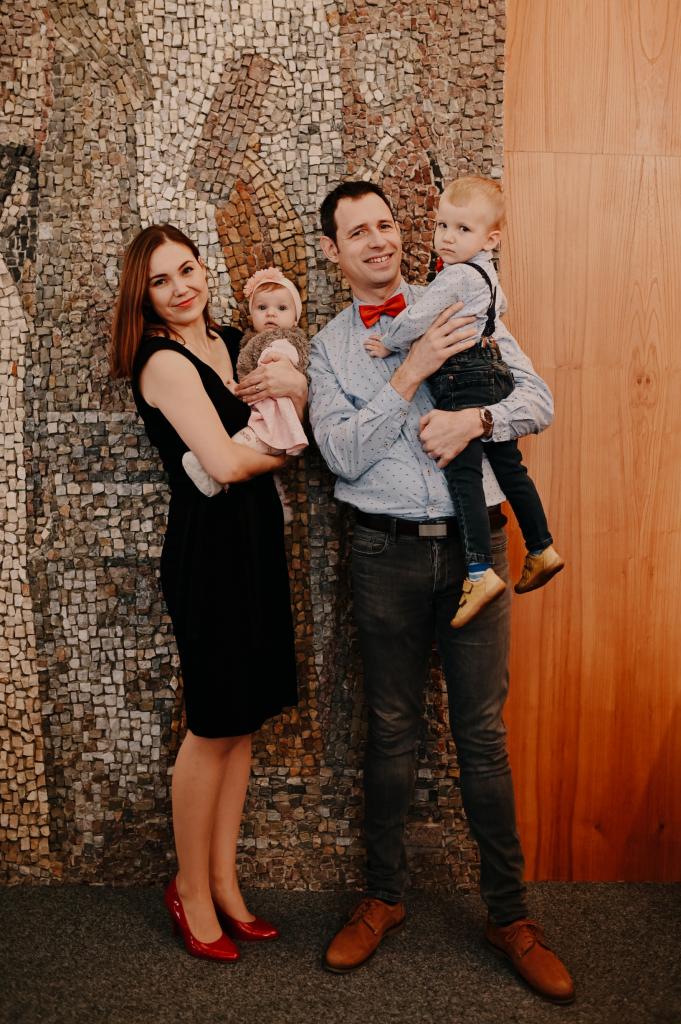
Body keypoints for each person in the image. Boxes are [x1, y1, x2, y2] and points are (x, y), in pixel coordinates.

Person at [308, 181, 574, 1003]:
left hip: (478, 548)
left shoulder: (462, 297)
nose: (378, 240)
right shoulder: (330, 349)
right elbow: (340, 455)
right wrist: (412, 371)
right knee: (390, 732)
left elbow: (537, 399)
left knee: (481, 737)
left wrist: (475, 422)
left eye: (386, 224)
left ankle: (510, 917)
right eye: (357, 231)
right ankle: (382, 897)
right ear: (333, 252)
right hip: (382, 553)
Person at [109, 224, 306, 962]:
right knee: (213, 723)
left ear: (204, 271)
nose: (180, 287)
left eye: (187, 269)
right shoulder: (161, 362)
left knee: (243, 721)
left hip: (255, 542)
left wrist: (287, 423)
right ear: (144, 296)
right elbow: (223, 464)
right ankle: (190, 890)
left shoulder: (232, 340)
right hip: (208, 554)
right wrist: (284, 450)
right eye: (161, 280)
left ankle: (224, 881)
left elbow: (290, 405)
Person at [364, 175, 563, 627]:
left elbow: (416, 317)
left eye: (462, 229)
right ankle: (541, 546)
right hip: (493, 374)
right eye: (442, 226)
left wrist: (388, 342)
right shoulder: (488, 276)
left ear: (491, 239)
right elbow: (497, 311)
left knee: (463, 473)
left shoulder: (454, 276)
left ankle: (479, 571)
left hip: (463, 379)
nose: (447, 238)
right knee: (511, 468)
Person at [182, 267, 309, 522]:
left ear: (295, 318)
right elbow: (248, 382)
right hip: (261, 407)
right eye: (262, 307)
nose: (271, 313)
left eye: (282, 308)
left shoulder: (285, 340)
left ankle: (208, 469)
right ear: (251, 314)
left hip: (274, 413)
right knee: (256, 447)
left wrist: (275, 361)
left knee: (249, 439)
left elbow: (283, 357)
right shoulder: (243, 341)